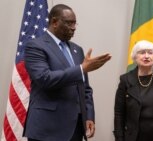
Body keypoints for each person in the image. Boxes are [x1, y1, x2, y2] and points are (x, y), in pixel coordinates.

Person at [23, 4, 111, 141]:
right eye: (69, 23)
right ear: (54, 22)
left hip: (75, 128)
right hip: (47, 128)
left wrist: (88, 115)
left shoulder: (77, 50)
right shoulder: (35, 46)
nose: (73, 27)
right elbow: (44, 79)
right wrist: (82, 69)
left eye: (75, 23)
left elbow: (85, 88)